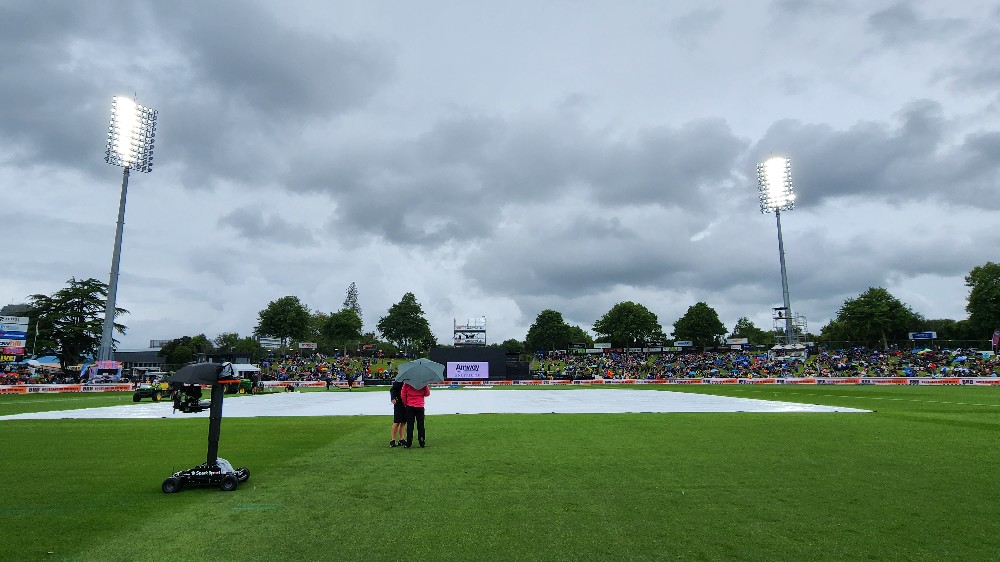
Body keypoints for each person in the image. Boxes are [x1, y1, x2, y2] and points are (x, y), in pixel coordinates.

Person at [401, 382, 430, 448]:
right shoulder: (422, 383)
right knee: (421, 425)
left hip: (410, 406)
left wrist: (406, 404)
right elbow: (427, 394)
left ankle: (409, 442)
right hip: (420, 406)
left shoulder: (407, 384)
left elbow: (403, 395)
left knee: (410, 425)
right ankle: (421, 441)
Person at [389, 379, 405, 447]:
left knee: (403, 422)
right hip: (399, 403)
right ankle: (393, 439)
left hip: (406, 403)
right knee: (397, 422)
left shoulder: (409, 380)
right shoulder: (399, 380)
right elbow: (392, 389)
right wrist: (393, 398)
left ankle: (401, 439)